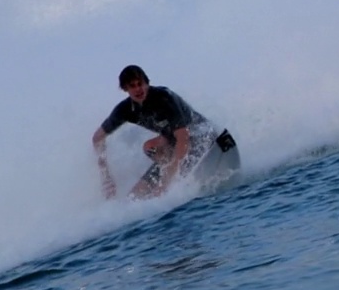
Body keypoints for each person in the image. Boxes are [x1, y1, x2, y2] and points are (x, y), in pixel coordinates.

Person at [92, 65, 239, 199]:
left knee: (163, 183)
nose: (139, 89)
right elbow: (97, 138)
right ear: (125, 88)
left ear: (147, 82)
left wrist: (167, 182)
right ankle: (169, 172)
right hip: (175, 147)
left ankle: (176, 175)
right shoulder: (124, 110)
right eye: (133, 86)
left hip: (204, 137)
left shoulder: (163, 97)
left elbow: (183, 137)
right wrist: (106, 176)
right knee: (133, 198)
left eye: (141, 83)